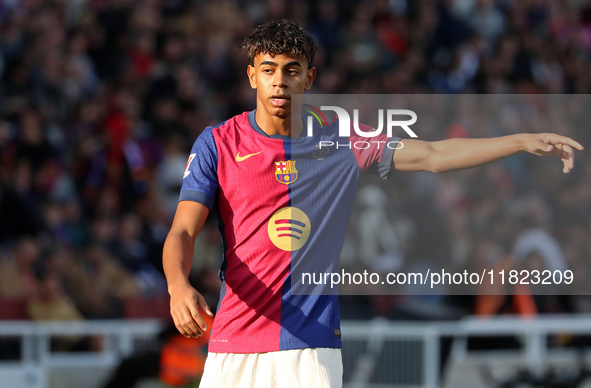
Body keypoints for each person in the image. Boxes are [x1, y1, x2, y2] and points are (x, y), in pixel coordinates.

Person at [162, 19, 584, 388]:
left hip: (310, 349)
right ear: (252, 75)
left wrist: (520, 141)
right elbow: (183, 229)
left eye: (292, 71)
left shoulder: (343, 138)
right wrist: (178, 285)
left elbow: (432, 156)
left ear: (308, 79)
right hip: (232, 344)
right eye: (269, 70)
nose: (279, 81)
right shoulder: (217, 143)